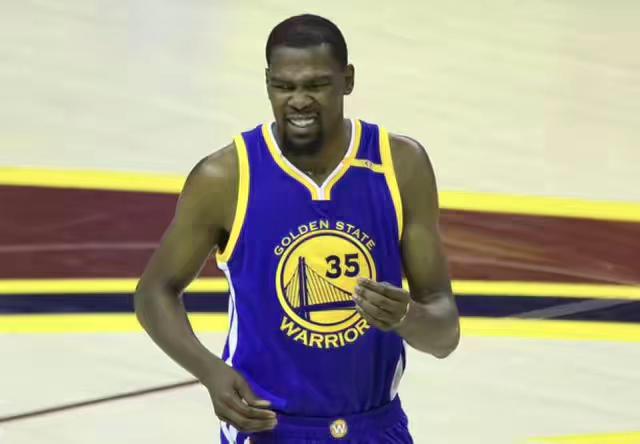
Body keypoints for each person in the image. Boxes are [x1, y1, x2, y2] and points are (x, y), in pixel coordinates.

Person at [135, 13, 460, 444]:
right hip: (269, 429)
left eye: (316, 85)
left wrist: (406, 316)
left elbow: (444, 334)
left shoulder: (400, 166)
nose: (299, 101)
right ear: (267, 83)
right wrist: (210, 371)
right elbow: (153, 293)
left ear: (348, 80)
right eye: (284, 87)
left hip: (376, 426)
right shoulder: (226, 177)